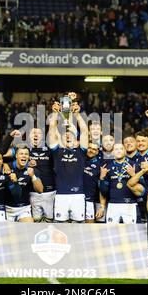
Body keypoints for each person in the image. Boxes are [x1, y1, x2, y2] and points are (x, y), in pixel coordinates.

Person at [48, 93, 89, 223]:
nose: (68, 136)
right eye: (65, 134)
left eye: (71, 134)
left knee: (80, 227)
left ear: (75, 139)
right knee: (60, 227)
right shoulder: (57, 151)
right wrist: (54, 113)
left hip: (78, 195)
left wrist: (77, 115)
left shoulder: (81, 151)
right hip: (61, 195)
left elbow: (84, 131)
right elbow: (52, 129)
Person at [100, 143, 142, 224]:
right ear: (112, 152)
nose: (119, 151)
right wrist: (102, 178)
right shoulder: (107, 167)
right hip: (113, 204)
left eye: (121, 149)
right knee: (110, 232)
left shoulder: (134, 165)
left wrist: (133, 175)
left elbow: (142, 186)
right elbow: (104, 192)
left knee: (132, 232)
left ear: (125, 151)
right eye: (116, 149)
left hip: (130, 204)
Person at [6, 146, 44, 222]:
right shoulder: (7, 167)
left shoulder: (33, 170)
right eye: (21, 153)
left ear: (29, 157)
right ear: (16, 156)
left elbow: (40, 190)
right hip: (7, 208)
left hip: (24, 208)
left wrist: (33, 176)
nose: (24, 156)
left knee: (29, 226)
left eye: (26, 154)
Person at [28, 127, 56, 222]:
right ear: (29, 136)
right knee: (36, 223)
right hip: (32, 193)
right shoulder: (24, 151)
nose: (36, 135)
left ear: (43, 136)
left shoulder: (50, 149)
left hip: (50, 192)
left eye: (39, 133)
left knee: (51, 223)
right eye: (33, 133)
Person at [83, 143, 106, 223]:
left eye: (94, 149)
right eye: (89, 148)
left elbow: (102, 187)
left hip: (90, 200)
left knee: (90, 229)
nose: (91, 150)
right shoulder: (79, 160)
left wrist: (102, 206)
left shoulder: (100, 165)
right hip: (76, 197)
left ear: (97, 152)